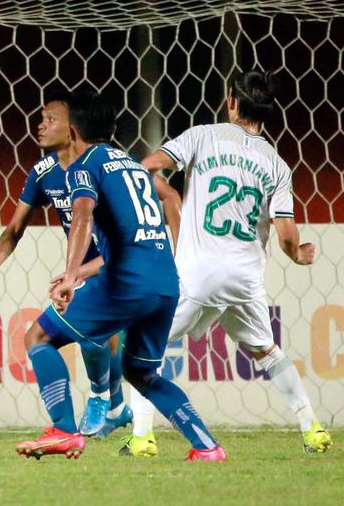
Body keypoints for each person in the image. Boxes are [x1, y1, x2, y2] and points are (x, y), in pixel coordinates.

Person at [123, 71, 331, 456]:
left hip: (198, 273)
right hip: (244, 279)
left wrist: (151, 188)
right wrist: (299, 254)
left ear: (232, 102)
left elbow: (150, 164)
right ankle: (312, 427)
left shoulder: (203, 135)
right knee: (267, 351)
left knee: (142, 345)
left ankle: (141, 437)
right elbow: (286, 233)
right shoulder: (277, 165)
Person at [17, 90, 224, 462]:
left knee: (39, 336)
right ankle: (207, 446)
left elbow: (82, 215)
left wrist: (68, 276)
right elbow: (162, 206)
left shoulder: (84, 165)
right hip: (164, 282)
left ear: (74, 128)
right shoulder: (130, 164)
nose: (46, 123)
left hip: (127, 280)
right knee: (141, 372)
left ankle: (64, 430)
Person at [0, 89, 130, 438]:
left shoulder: (106, 166)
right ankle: (112, 406)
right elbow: (15, 227)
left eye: (50, 119)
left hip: (117, 266)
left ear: (73, 126)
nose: (40, 125)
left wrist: (81, 272)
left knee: (83, 336)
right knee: (72, 336)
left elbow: (129, 239)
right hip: (83, 270)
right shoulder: (44, 172)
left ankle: (97, 402)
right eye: (41, 118)